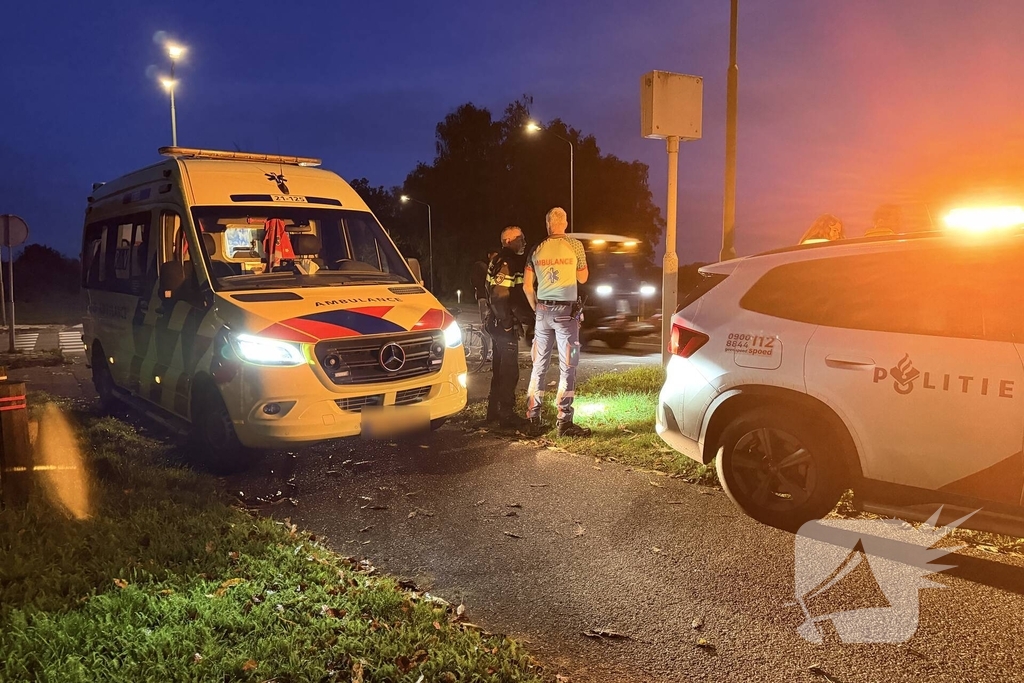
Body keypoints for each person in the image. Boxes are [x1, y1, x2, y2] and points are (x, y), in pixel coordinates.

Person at [523, 207, 592, 437]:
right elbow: (583, 276)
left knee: (538, 366)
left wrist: (536, 310)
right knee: (568, 366)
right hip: (566, 314)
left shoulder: (536, 248)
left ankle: (533, 417)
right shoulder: (575, 246)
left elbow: (526, 286)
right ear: (566, 223)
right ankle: (564, 421)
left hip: (542, 312)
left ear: (547, 225)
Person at [484, 226, 534, 430]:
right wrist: (507, 325)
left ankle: (493, 412)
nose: (523, 241)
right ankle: (506, 414)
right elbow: (500, 296)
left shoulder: (499, 260)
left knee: (499, 368)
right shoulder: (506, 262)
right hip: (502, 324)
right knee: (509, 371)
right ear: (508, 240)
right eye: (520, 238)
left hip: (497, 323)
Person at [470, 250, 498, 361]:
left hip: (486, 298)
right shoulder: (482, 267)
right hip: (485, 299)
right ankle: (485, 352)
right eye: (494, 256)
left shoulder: (485, 266)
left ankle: (488, 352)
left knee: (488, 325)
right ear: (489, 255)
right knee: (486, 325)